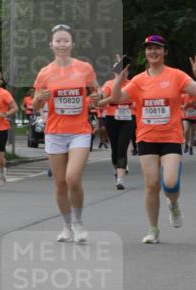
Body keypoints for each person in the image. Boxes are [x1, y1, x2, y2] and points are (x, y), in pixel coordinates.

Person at [109, 38, 196, 243]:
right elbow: (116, 98)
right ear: (145, 53)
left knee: (170, 183)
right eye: (149, 48)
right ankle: (153, 229)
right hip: (147, 138)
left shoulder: (176, 75)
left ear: (164, 51)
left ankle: (173, 205)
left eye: (157, 48)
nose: (153, 51)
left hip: (171, 138)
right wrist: (118, 78)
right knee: (151, 185)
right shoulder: (139, 80)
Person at [32, 24, 100, 243]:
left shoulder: (84, 68)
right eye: (58, 41)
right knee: (60, 183)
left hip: (79, 131)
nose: (62, 44)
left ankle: (79, 223)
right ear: (51, 45)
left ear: (72, 44)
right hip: (54, 132)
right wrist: (39, 98)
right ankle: (66, 225)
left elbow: (95, 92)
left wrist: (96, 99)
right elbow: (35, 105)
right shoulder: (45, 73)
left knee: (72, 178)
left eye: (65, 40)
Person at [99, 70, 136, 189]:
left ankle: (120, 179)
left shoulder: (133, 84)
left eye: (125, 72)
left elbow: (139, 100)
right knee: (115, 148)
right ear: (115, 73)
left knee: (122, 147)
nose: (123, 74)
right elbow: (101, 102)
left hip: (129, 118)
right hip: (112, 118)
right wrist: (113, 98)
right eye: (120, 72)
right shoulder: (109, 84)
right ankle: (116, 170)